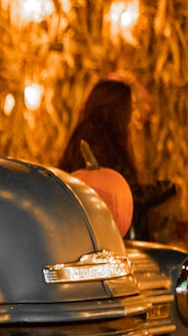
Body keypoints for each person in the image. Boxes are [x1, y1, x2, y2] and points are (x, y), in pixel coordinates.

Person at [57, 77, 176, 240]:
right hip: (113, 236)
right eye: (132, 107)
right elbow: (127, 195)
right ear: (118, 110)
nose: (135, 115)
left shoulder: (85, 135)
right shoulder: (106, 144)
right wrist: (169, 187)